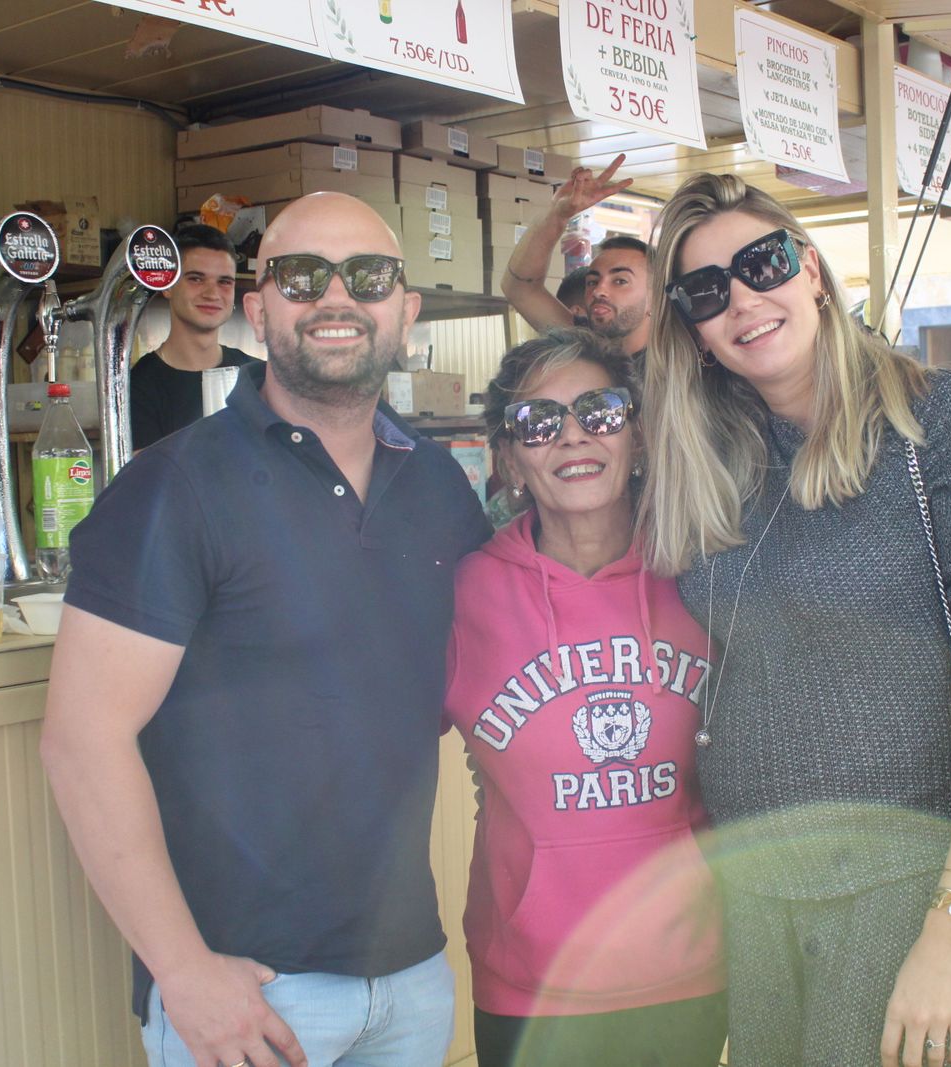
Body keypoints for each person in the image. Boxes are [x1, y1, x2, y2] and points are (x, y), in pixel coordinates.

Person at [40, 192, 490, 1067]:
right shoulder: (173, 486)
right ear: (259, 309)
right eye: (300, 277)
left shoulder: (439, 486)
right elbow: (81, 740)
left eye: (367, 277)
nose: (335, 299)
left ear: (406, 310)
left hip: (413, 972)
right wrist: (181, 969)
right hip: (247, 987)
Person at [640, 173, 951, 1067]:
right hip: (754, 890)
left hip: (899, 885)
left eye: (764, 263)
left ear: (814, 270)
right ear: (693, 332)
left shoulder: (939, 420)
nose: (745, 299)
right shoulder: (715, 462)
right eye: (707, 292)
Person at [445, 329, 726, 1067]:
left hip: (686, 967)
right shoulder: (467, 592)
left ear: (637, 431)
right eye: (538, 421)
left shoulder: (702, 571)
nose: (572, 435)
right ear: (508, 458)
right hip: (531, 982)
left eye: (599, 410)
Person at [500, 155, 652, 358]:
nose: (599, 291)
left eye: (620, 281)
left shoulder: (685, 365)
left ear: (656, 298)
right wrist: (557, 215)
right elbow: (519, 289)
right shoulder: (586, 348)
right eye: (592, 281)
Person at [129, 223, 253, 450]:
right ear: (168, 286)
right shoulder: (139, 388)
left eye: (224, 282)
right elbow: (148, 480)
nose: (212, 293)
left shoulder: (255, 375)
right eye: (196, 279)